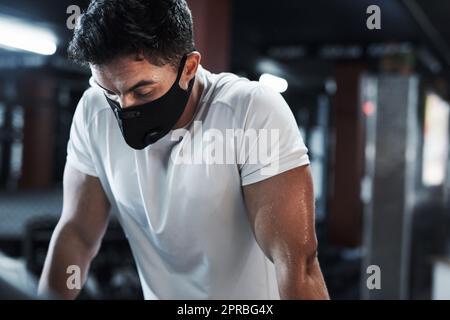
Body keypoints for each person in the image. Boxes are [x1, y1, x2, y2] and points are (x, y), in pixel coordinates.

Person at [38, 0, 329, 300]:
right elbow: (77, 234)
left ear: (188, 67)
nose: (124, 108)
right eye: (111, 92)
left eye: (142, 91)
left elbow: (298, 265)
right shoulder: (93, 113)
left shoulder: (250, 112)